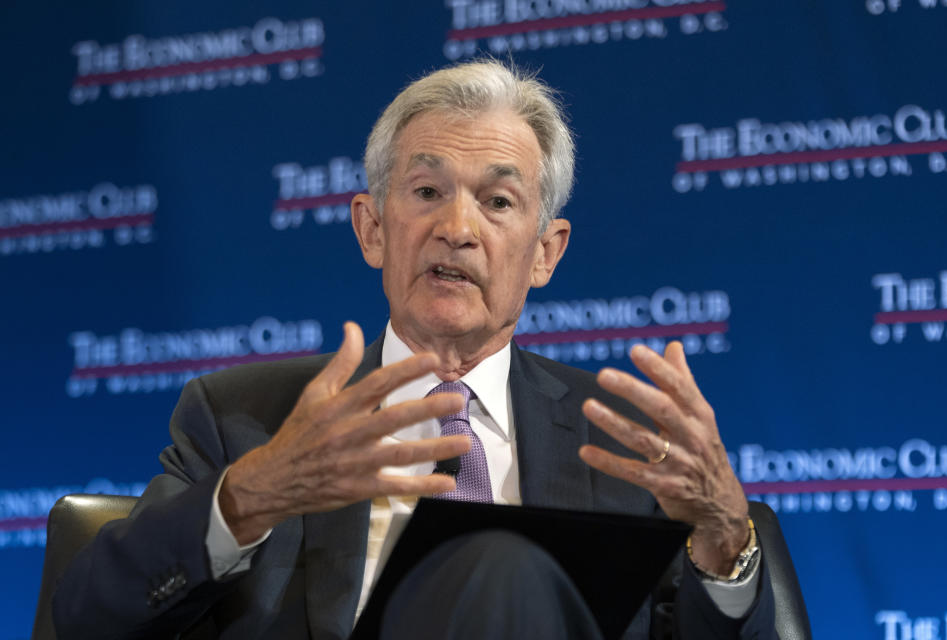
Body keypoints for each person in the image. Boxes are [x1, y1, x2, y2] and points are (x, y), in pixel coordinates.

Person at [53, 59, 776, 639]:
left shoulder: (618, 439)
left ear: (545, 253)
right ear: (371, 229)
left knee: (499, 564)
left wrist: (723, 541)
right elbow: (88, 617)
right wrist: (252, 494)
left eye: (497, 202)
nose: (457, 228)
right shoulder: (243, 419)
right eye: (427, 190)